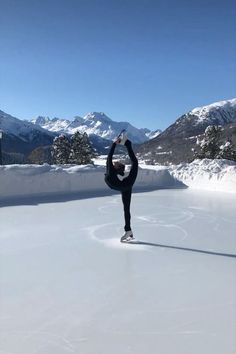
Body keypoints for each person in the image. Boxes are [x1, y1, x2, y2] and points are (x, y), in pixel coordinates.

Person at [104, 130, 138, 242]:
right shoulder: (111, 172)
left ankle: (128, 230)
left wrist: (115, 143)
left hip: (123, 185)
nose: (116, 162)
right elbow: (110, 158)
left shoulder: (110, 172)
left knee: (126, 209)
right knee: (126, 209)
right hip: (126, 185)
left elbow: (109, 157)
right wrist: (116, 143)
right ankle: (128, 230)